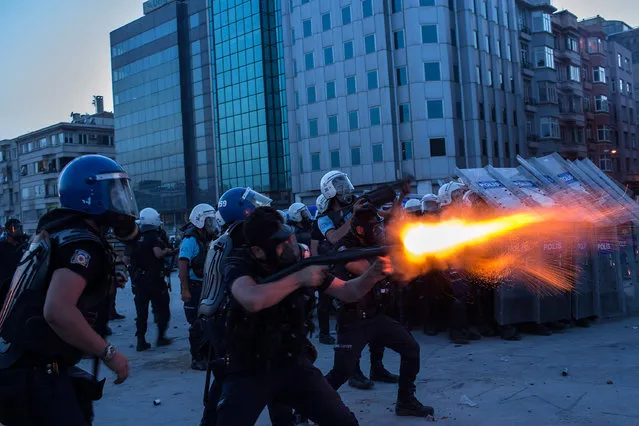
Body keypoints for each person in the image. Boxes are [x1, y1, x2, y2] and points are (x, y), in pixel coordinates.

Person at [214, 206, 393, 425]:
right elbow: (252, 299)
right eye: (281, 243)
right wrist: (300, 278)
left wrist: (372, 275)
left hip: (292, 362)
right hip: (249, 366)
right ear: (258, 251)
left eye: (290, 238)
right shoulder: (239, 262)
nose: (291, 246)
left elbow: (348, 291)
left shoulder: (298, 263)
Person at [0, 154, 137, 426]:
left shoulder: (57, 233)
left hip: (23, 371)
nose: (120, 199)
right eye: (113, 190)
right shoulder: (82, 244)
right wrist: (109, 353)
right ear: (91, 194)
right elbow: (58, 311)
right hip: (37, 378)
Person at [324, 205, 433, 418]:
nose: (379, 231)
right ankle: (306, 406)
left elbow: (402, 272)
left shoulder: (379, 245)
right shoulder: (345, 248)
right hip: (353, 321)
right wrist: (394, 255)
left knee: (411, 349)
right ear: (361, 230)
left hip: (376, 316)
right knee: (341, 373)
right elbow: (365, 269)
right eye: (374, 227)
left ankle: (406, 402)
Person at [179, 203, 219, 370]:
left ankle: (208, 354)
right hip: (194, 287)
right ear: (199, 221)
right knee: (197, 324)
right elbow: (182, 264)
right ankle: (197, 358)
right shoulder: (190, 240)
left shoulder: (206, 238)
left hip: (206, 285)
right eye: (208, 221)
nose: (211, 224)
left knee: (209, 322)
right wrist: (185, 289)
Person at [130, 207, 175, 351]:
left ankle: (141, 340)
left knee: (141, 312)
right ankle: (161, 337)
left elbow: (125, 258)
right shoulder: (154, 236)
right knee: (162, 308)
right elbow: (157, 253)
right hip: (155, 279)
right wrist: (168, 251)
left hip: (139, 280)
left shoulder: (135, 237)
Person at [310, 194, 335, 345]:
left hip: (335, 263)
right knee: (324, 302)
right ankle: (324, 334)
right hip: (325, 266)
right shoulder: (319, 222)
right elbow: (314, 248)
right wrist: (319, 266)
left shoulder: (334, 219)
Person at [0, 219, 28, 305]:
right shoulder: (2, 247)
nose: (17, 230)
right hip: (4, 287)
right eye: (14, 228)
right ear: (8, 231)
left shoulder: (23, 246)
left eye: (19, 228)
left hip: (19, 285)